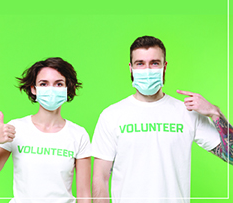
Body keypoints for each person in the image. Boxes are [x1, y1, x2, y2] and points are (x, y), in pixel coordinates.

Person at [92, 36, 233, 203]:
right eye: (140, 63)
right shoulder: (111, 115)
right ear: (130, 68)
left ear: (164, 67)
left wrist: (215, 113)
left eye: (154, 63)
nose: (147, 69)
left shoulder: (186, 112)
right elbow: (100, 179)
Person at [0, 57, 91, 203]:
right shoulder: (16, 129)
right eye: (43, 84)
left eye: (58, 84)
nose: (51, 89)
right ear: (34, 89)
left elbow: (84, 194)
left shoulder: (78, 135)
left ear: (67, 88)